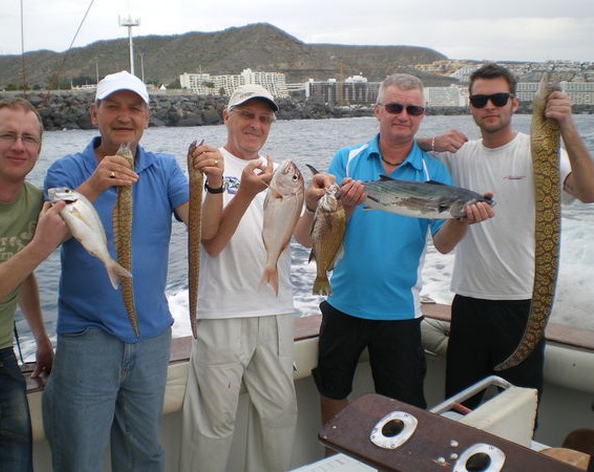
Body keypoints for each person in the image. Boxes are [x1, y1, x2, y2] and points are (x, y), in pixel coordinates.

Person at [42, 70, 223, 471]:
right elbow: (48, 240)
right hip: (88, 338)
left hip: (151, 336)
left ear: (146, 117)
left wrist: (213, 185)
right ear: (94, 114)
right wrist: (92, 185)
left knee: (143, 456)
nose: (124, 116)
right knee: (79, 459)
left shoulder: (164, 169)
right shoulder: (66, 171)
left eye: (134, 108)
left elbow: (205, 230)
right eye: (113, 106)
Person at [294, 73, 494, 430]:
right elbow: (319, 232)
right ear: (377, 111)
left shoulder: (434, 171)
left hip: (399, 314)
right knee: (333, 392)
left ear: (421, 116)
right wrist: (349, 205)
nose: (404, 115)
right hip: (343, 306)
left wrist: (463, 218)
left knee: (404, 410)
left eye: (413, 109)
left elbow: (444, 245)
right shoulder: (348, 159)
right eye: (395, 106)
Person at [417, 63, 594, 408]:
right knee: (459, 409)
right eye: (480, 100)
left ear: (514, 103)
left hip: (523, 305)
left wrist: (567, 126)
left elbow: (588, 192)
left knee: (520, 413)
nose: (489, 106)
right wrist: (431, 139)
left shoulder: (538, 153)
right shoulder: (459, 155)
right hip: (468, 304)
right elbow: (399, 146)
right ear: (470, 107)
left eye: (498, 98)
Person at [179, 84, 298, 472]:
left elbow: (302, 238)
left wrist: (315, 205)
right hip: (222, 313)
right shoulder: (209, 167)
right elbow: (209, 242)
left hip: (276, 310)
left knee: (279, 419)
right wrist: (244, 190)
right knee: (212, 426)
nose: (256, 124)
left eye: (264, 118)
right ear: (226, 116)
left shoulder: (283, 174)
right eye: (247, 114)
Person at [0, 97, 69, 471]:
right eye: (7, 135)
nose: (19, 146)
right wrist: (41, 246)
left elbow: (21, 277)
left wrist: (41, 339)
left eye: (29, 138)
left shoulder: (35, 203)